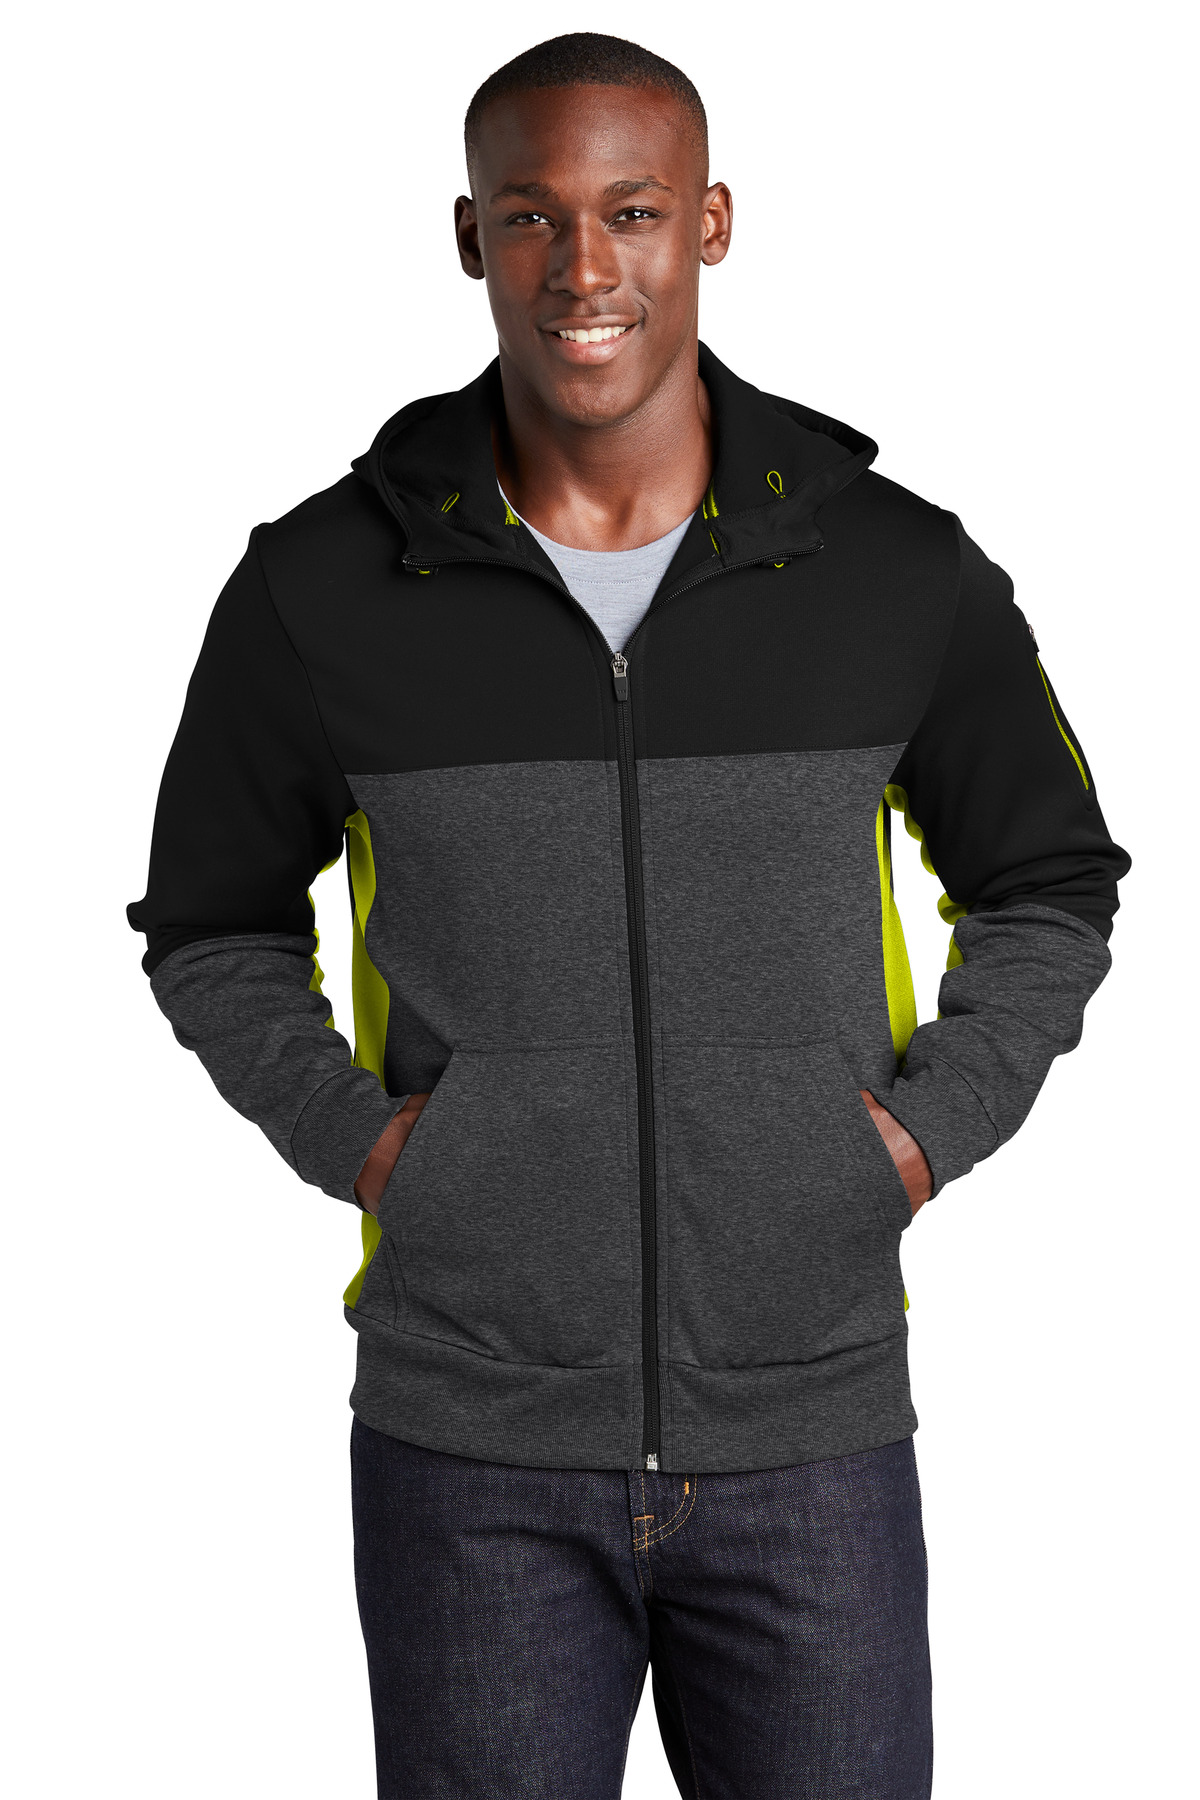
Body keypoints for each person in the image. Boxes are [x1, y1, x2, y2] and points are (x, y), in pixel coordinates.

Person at [128, 32, 1130, 1800]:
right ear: (470, 236)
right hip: (469, 1447)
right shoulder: (320, 586)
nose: (584, 268)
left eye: (635, 212)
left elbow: (1049, 880)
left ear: (712, 223)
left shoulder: (897, 571)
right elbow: (212, 923)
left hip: (810, 1428)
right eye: (532, 216)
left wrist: (909, 1142)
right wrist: (376, 1150)